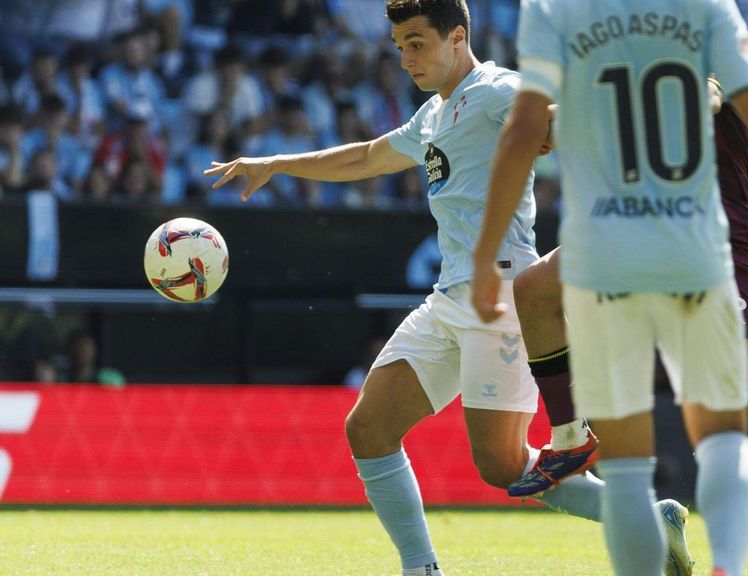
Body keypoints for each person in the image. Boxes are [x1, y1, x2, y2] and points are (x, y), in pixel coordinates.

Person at [204, 3, 678, 575]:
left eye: (416, 43)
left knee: (503, 467)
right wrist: (278, 163)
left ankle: (648, 521)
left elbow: (556, 113)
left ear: (457, 37)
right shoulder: (434, 114)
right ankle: (421, 568)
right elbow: (369, 156)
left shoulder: (498, 88)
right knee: (369, 428)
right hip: (449, 297)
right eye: (399, 46)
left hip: (500, 295)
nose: (405, 59)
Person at [470, 3, 748, 575]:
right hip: (626, 227)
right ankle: (572, 437)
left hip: (715, 236)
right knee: (534, 290)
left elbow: (713, 96)